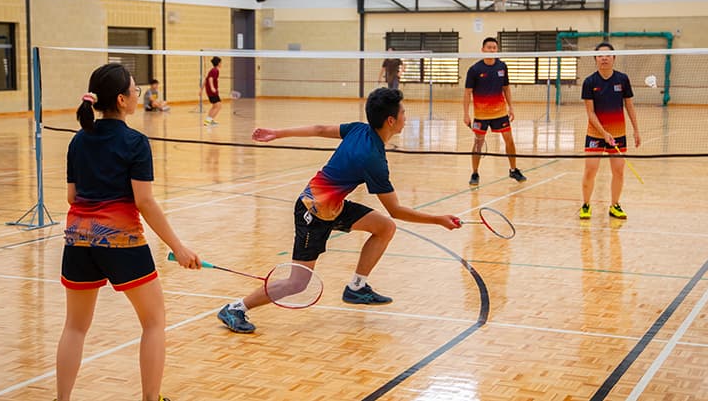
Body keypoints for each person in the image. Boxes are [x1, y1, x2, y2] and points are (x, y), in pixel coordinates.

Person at [216, 87, 461, 334]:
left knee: (384, 227)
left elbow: (320, 129)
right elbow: (395, 209)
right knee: (297, 283)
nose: (405, 118)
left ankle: (356, 287)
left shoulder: (359, 129)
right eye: (404, 113)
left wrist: (278, 133)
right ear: (391, 120)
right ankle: (236, 308)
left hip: (335, 208)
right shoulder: (373, 160)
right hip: (311, 213)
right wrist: (438, 220)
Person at [57, 63, 201, 401]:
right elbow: (145, 202)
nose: (138, 94)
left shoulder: (79, 140)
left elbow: (71, 197)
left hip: (77, 241)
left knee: (75, 327)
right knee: (154, 321)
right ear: (122, 100)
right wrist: (178, 247)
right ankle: (152, 399)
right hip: (121, 242)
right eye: (134, 89)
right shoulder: (135, 142)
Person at [579, 42, 641, 220]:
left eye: (607, 55)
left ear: (614, 58)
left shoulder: (622, 79)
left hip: (618, 133)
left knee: (619, 171)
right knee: (590, 170)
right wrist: (603, 133)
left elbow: (629, 105)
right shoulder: (589, 82)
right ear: (595, 59)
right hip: (595, 134)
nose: (604, 58)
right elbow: (590, 113)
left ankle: (615, 205)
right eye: (600, 55)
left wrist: (636, 130)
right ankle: (586, 204)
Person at [463, 36, 527, 186]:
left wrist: (511, 107)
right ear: (483, 49)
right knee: (478, 143)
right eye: (489, 47)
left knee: (509, 140)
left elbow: (506, 88)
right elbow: (467, 93)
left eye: (494, 48)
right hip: (481, 114)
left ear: (497, 50)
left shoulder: (502, 67)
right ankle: (475, 173)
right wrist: (466, 114)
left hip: (500, 113)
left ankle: (513, 170)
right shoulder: (474, 69)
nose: (491, 50)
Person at [201, 56, 222, 126]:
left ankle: (208, 121)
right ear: (218, 63)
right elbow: (210, 79)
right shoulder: (215, 70)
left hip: (209, 91)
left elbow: (205, 80)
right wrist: (212, 87)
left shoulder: (212, 70)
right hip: (212, 92)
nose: (221, 64)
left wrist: (201, 90)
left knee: (214, 106)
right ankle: (209, 121)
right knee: (218, 106)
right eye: (220, 62)